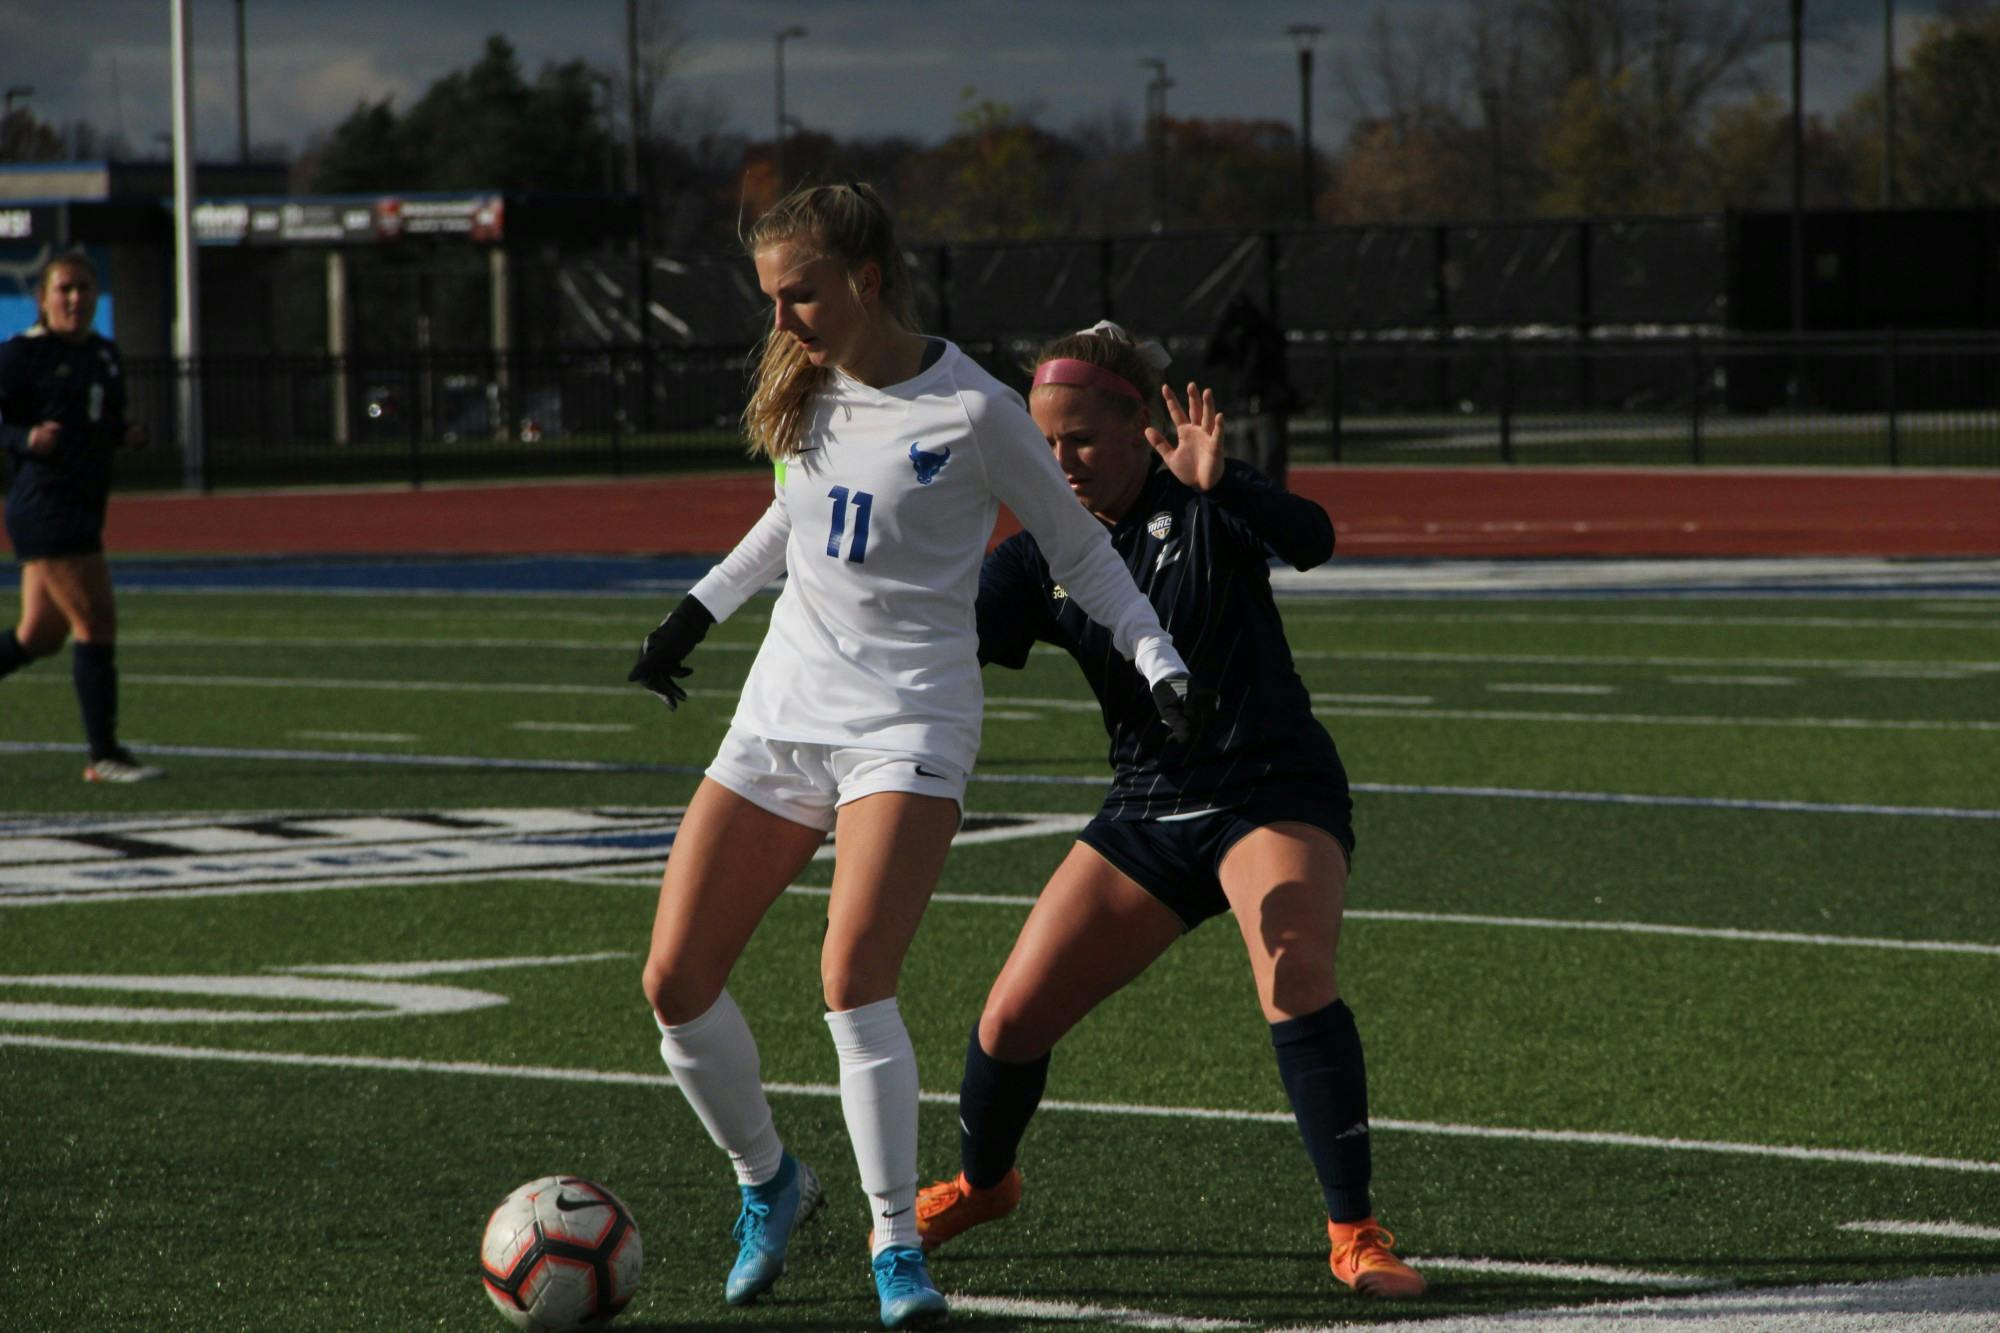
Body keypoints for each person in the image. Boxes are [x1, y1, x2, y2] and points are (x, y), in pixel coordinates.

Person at [625, 186, 1209, 1331]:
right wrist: (693, 614)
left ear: (867, 279)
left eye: (800, 292)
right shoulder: (804, 389)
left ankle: (899, 1247)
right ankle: (770, 1185)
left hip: (909, 722)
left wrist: (1158, 659)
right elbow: (790, 521)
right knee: (674, 982)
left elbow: (1081, 554)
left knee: (852, 977)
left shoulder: (977, 410)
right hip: (783, 710)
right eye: (772, 296)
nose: (782, 317)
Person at [911, 322, 1425, 1302]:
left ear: (1134, 426)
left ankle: (1354, 1229)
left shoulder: (1198, 504)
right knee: (1009, 1018)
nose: (1059, 463)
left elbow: (1312, 539)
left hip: (1269, 789)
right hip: (1146, 806)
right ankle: (985, 1184)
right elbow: (942, 647)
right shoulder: (1034, 558)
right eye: (1043, 444)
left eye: (1081, 441)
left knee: (1293, 966)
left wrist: (1220, 482)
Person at [0, 250, 162, 783]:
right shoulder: (21, 355)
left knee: (39, 636)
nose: (74, 299)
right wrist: (22, 437)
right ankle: (104, 754)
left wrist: (126, 434)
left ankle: (105, 753)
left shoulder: (104, 354)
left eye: (84, 288)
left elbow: (100, 422)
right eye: (64, 289)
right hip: (47, 505)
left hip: (83, 505)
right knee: (95, 621)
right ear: (43, 298)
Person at [1203, 292, 1295, 490]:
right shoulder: (1234, 343)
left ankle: (1274, 514)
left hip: (1267, 409)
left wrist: (1256, 321)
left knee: (1270, 469)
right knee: (1244, 471)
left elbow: (1276, 345)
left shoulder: (1265, 339)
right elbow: (1210, 355)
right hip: (1243, 409)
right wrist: (1225, 321)